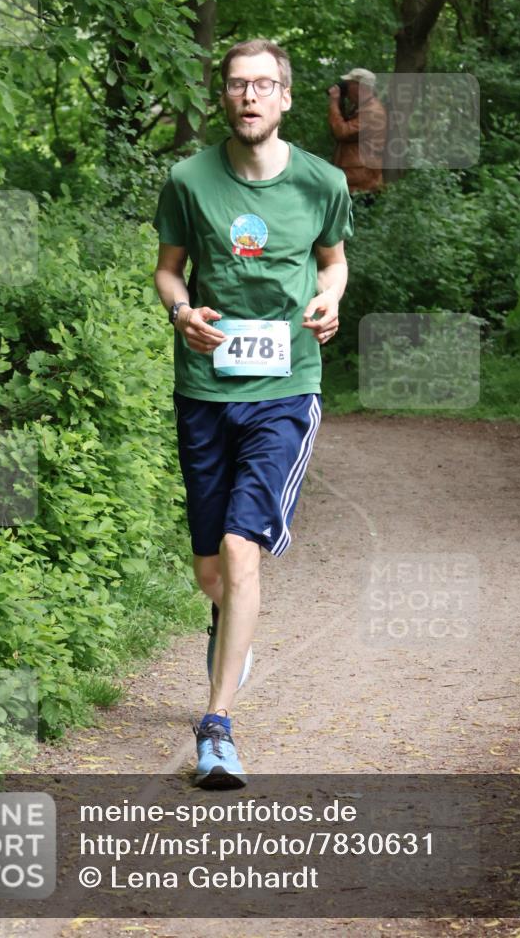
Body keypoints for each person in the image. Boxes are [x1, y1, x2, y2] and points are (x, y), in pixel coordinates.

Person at [153, 39, 353, 789]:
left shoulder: (320, 181)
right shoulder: (188, 180)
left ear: (286, 97)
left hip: (285, 389)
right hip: (204, 389)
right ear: (223, 96)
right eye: (237, 85)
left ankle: (217, 729)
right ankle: (231, 627)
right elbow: (169, 270)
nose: (249, 97)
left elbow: (331, 259)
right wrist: (180, 313)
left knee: (241, 552)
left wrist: (329, 298)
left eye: (263, 85)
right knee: (210, 570)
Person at [327, 67, 387, 202]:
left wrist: (334, 103)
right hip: (357, 180)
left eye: (349, 84)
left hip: (362, 185)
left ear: (360, 87)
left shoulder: (372, 111)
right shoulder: (362, 107)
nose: (346, 88)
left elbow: (341, 132)